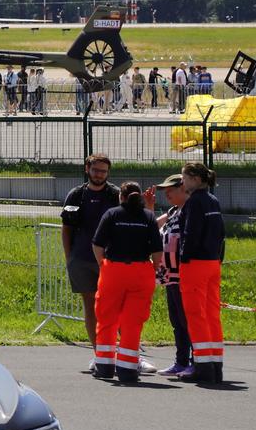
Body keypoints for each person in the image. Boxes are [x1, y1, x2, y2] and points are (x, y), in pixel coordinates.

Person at [90, 180, 160, 383]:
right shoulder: (148, 217)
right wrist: (153, 269)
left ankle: (104, 366)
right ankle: (127, 368)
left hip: (113, 270)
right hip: (141, 271)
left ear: (120, 196)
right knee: (133, 322)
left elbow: (97, 244)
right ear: (140, 197)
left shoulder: (112, 214)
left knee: (106, 318)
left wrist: (103, 264)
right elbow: (157, 251)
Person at [62, 153, 120, 365]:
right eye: (95, 170)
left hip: (111, 261)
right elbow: (66, 229)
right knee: (91, 307)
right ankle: (100, 355)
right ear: (87, 169)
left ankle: (125, 353)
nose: (99, 175)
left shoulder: (116, 194)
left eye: (103, 171)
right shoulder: (76, 195)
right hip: (82, 259)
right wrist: (70, 258)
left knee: (117, 307)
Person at [177, 160, 227, 383]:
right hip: (213, 262)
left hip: (195, 263)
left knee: (195, 315)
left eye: (185, 177)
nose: (182, 181)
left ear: (195, 179)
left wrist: (183, 259)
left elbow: (190, 233)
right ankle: (215, 364)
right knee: (212, 314)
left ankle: (203, 366)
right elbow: (221, 233)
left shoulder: (194, 202)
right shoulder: (213, 201)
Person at [154, 172, 192, 376]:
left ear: (183, 188)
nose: (167, 193)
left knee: (188, 320)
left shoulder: (189, 211)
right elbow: (153, 226)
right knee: (176, 321)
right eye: (165, 190)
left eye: (171, 189)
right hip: (170, 276)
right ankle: (181, 361)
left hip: (184, 275)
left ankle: (195, 361)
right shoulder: (173, 211)